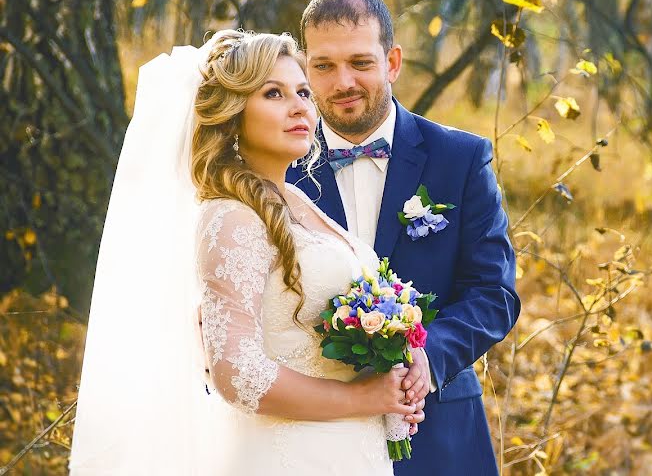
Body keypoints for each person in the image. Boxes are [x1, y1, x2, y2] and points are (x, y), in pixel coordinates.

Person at [69, 30, 424, 475]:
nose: (299, 106)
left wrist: (405, 358)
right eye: (273, 93)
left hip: (351, 450)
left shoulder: (297, 202)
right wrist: (362, 398)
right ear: (233, 115)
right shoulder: (232, 218)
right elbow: (237, 372)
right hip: (290, 455)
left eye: (302, 92)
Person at [286, 0, 521, 475]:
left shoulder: (460, 159)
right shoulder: (278, 169)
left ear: (392, 62)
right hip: (312, 431)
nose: (342, 81)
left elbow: (493, 293)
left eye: (360, 62)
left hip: (438, 433)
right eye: (324, 66)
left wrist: (427, 358)